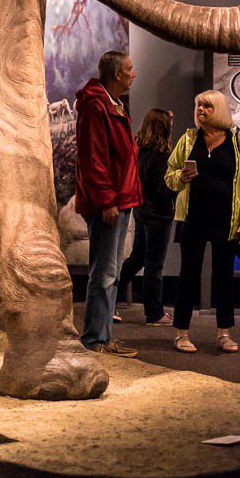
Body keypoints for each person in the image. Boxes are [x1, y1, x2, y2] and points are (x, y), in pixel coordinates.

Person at [166, 90, 240, 354]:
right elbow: (169, 175)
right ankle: (181, 333)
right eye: (198, 105)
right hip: (192, 219)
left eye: (207, 106)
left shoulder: (239, 142)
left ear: (219, 109)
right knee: (188, 276)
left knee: (224, 278)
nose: (201, 110)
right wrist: (181, 177)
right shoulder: (188, 139)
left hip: (227, 221)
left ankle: (224, 334)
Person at [75, 51, 141, 357]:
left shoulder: (115, 105)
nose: (133, 74)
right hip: (110, 203)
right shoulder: (95, 105)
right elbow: (94, 157)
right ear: (116, 75)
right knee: (103, 273)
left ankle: (104, 337)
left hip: (122, 199)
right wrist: (106, 200)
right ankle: (94, 339)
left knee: (111, 273)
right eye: (129, 70)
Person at [118, 108, 175, 325]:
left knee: (137, 259)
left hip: (141, 211)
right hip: (159, 214)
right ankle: (154, 313)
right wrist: (180, 184)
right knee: (154, 264)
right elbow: (162, 188)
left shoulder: (138, 150)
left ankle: (110, 297)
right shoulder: (161, 155)